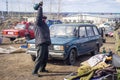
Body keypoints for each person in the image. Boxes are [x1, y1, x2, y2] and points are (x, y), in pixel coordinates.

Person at [32, 1, 51, 77]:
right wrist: (40, 7)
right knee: (40, 58)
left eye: (45, 18)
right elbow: (39, 16)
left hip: (45, 42)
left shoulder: (44, 24)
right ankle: (34, 72)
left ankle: (42, 69)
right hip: (41, 43)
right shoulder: (38, 23)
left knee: (45, 57)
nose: (45, 19)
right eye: (43, 18)